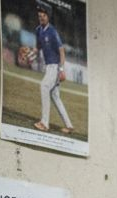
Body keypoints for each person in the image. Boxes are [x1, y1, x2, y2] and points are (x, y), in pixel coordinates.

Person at [31, 2, 74, 134]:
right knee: (55, 96)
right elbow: (38, 48)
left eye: (44, 15)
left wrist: (61, 70)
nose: (41, 17)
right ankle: (69, 125)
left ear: (48, 16)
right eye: (39, 15)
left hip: (55, 67)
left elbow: (61, 51)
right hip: (49, 66)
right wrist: (31, 55)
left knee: (44, 86)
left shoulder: (53, 31)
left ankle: (44, 123)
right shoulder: (38, 30)